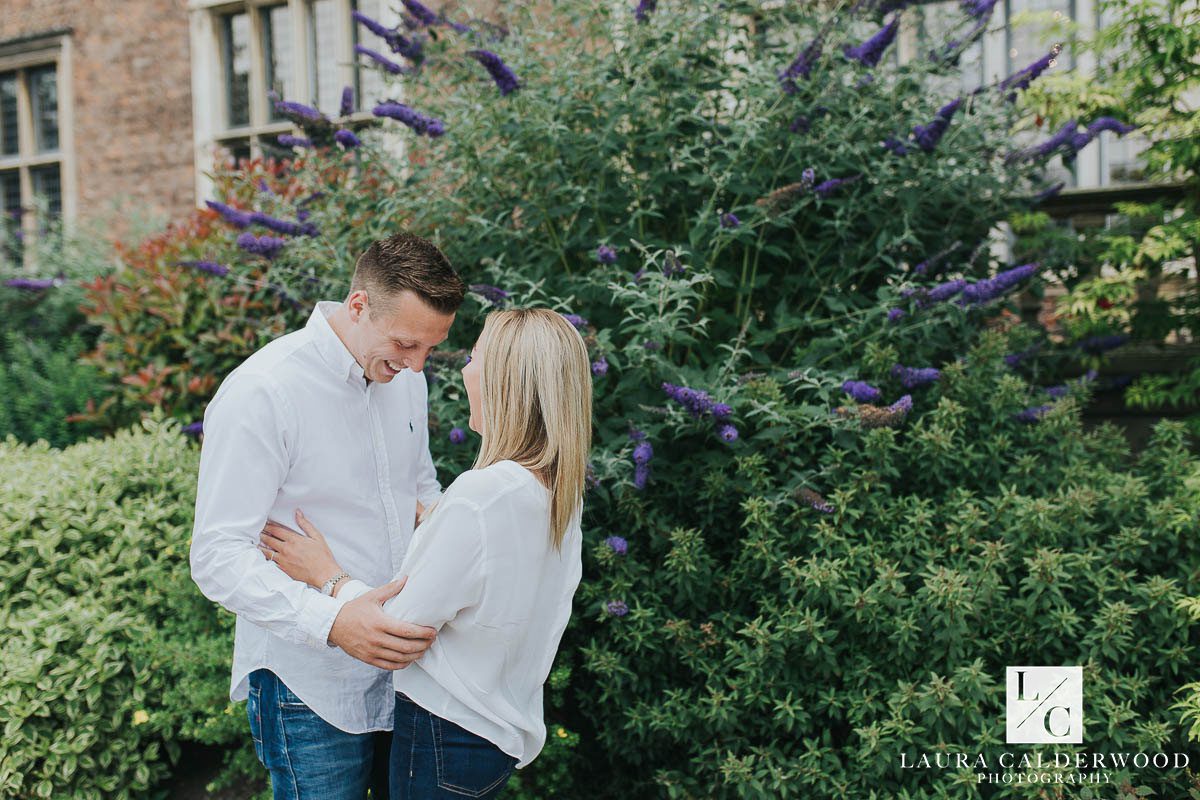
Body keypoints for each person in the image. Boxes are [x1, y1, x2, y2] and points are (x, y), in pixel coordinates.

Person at [260, 308, 591, 799]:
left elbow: (397, 631)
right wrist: (434, 525)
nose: (463, 370)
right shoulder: (554, 489)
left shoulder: (481, 496)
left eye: (475, 357)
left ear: (507, 381)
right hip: (495, 736)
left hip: (447, 739)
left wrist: (327, 575)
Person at [190, 232, 467, 800]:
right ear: (359, 306)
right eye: (406, 344)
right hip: (309, 687)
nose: (417, 367)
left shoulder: (403, 380)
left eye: (430, 350)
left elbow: (420, 489)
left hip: (409, 676)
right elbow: (217, 556)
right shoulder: (263, 392)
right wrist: (332, 621)